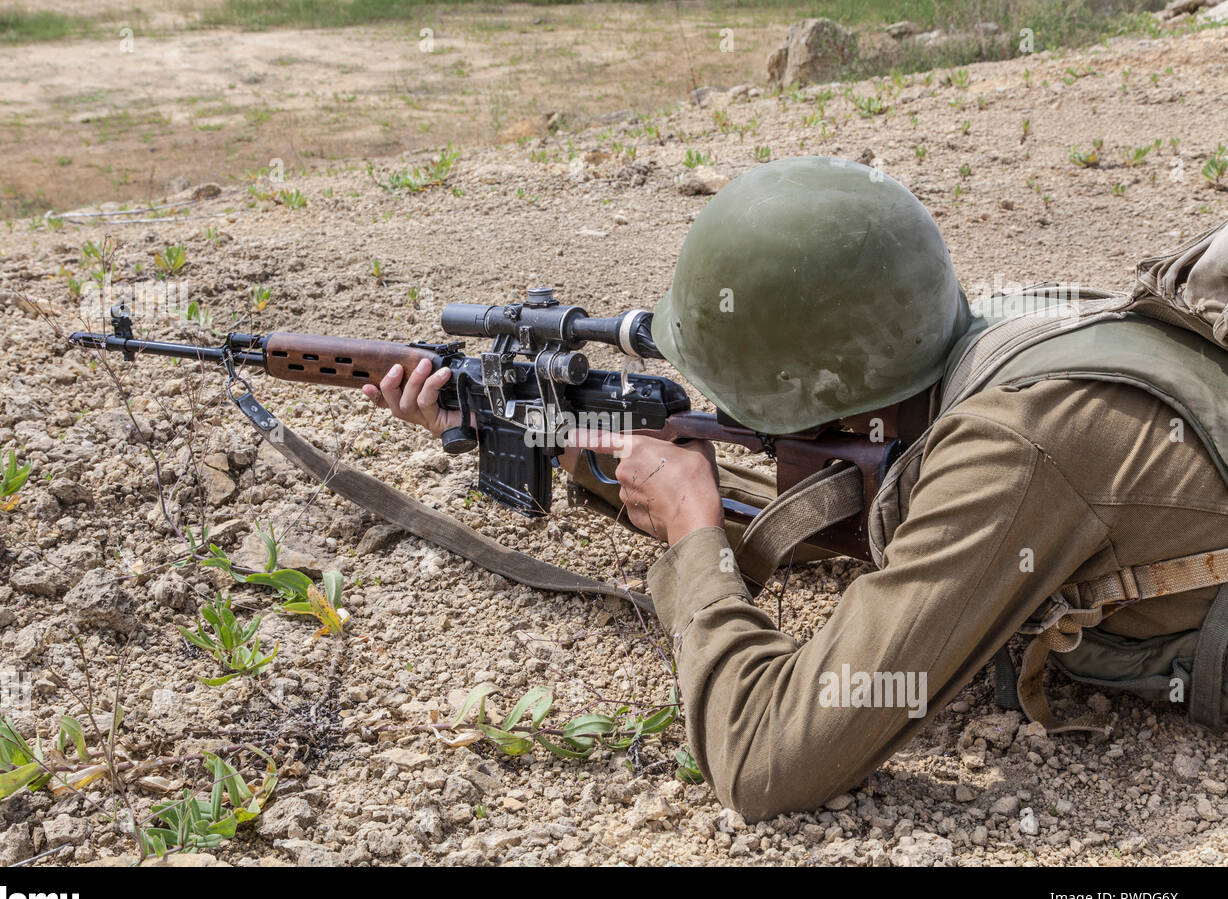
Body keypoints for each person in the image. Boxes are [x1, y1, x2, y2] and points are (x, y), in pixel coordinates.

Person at [363, 156, 1228, 821]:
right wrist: (548, 435)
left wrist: (694, 542)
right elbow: (822, 492)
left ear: (828, 399)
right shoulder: (985, 339)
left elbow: (766, 758)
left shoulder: (1014, 450)